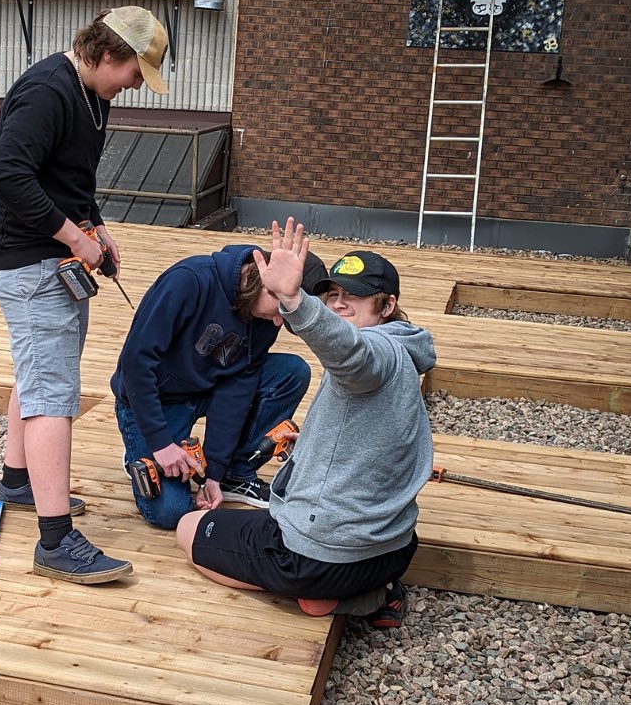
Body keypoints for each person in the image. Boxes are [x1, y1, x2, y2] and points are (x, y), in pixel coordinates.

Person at [0, 5, 169, 584]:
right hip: (28, 262)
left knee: (37, 371)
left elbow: (68, 177)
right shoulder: (45, 91)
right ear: (109, 52)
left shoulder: (94, 95)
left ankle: (17, 483)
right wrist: (71, 237)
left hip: (54, 253)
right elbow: (9, 178)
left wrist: (95, 225)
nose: (137, 86)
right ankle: (55, 540)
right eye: (137, 73)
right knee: (53, 395)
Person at [175, 220, 438, 629]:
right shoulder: (407, 353)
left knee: (188, 529)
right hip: (394, 551)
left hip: (322, 557)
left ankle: (342, 598)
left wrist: (294, 298)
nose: (338, 305)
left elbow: (352, 354)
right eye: (333, 295)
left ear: (387, 306)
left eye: (355, 296)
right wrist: (313, 442)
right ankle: (373, 589)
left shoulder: (379, 354)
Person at [111, 245, 317, 530]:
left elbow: (236, 390)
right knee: (171, 512)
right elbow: (136, 363)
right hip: (157, 398)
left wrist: (215, 475)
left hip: (207, 387)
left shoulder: (266, 317)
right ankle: (140, 445)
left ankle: (237, 472)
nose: (279, 322)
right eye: (280, 309)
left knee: (292, 372)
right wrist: (159, 443)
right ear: (265, 282)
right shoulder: (190, 280)